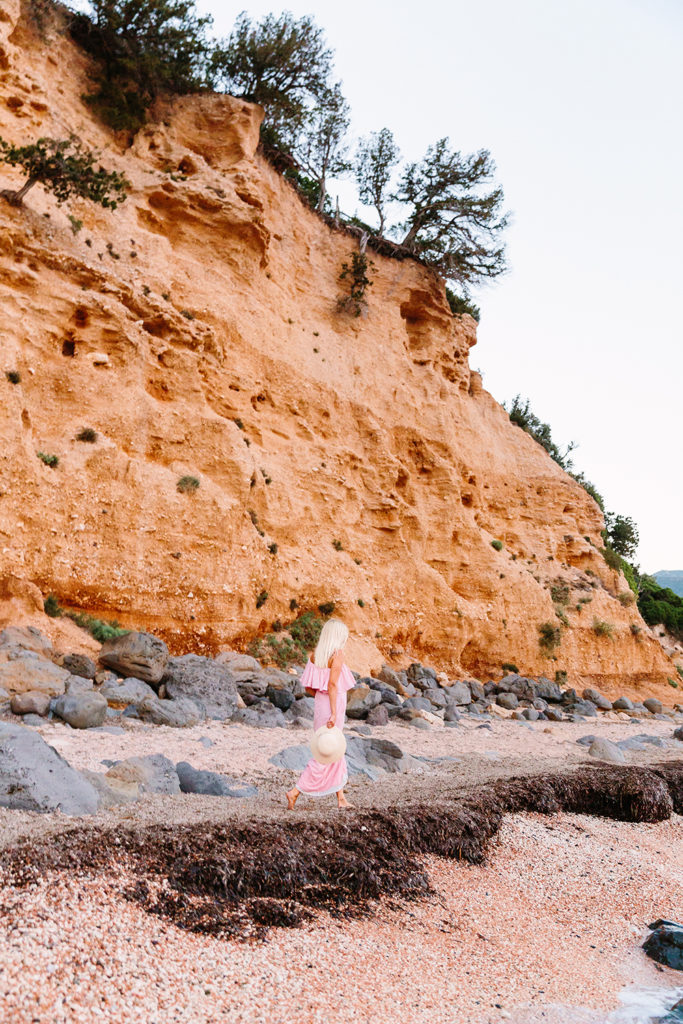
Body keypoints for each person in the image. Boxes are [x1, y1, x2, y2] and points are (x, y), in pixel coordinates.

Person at [286, 618, 355, 810]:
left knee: (333, 748)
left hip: (321, 704)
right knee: (325, 753)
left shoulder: (315, 656)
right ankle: (295, 791)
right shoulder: (337, 655)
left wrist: (322, 698)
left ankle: (341, 798)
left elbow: (309, 687)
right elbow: (332, 684)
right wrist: (333, 713)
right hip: (333, 706)